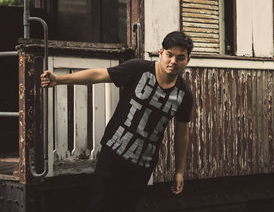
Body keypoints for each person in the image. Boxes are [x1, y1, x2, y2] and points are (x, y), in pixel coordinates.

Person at [41, 31, 194, 212]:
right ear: (161, 53)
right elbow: (99, 75)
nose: (173, 61)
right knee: (100, 206)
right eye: (169, 55)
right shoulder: (139, 68)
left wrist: (179, 171)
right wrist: (58, 79)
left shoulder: (184, 94)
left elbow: (182, 133)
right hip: (114, 154)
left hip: (143, 164)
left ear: (187, 60)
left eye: (180, 58)